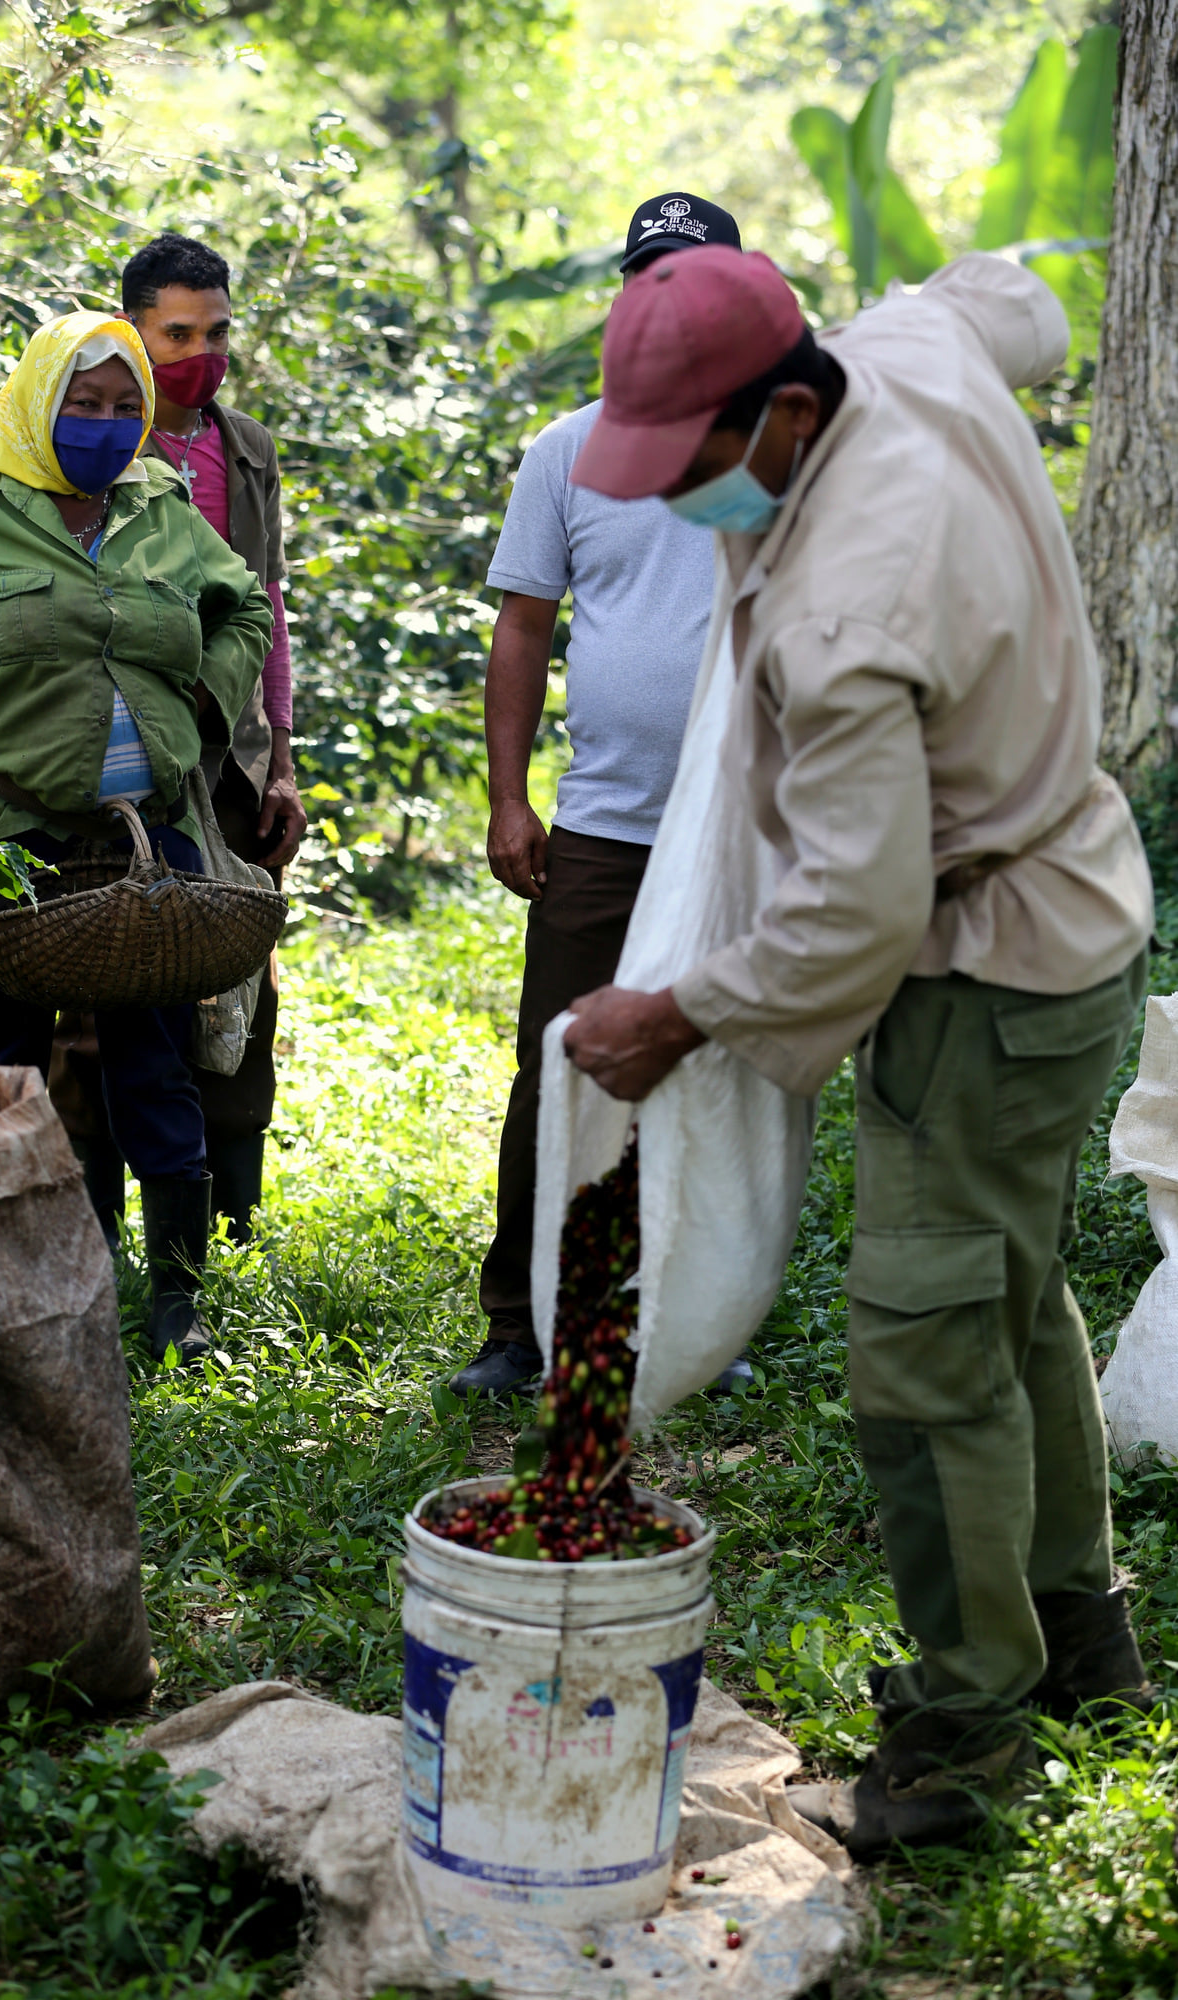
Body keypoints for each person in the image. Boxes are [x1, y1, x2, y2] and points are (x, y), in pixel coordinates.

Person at [561, 245, 1155, 1855]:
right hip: (1074, 919)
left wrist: (674, 1011)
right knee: (1009, 1296)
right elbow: (1014, 297)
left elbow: (855, 912)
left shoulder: (847, 606)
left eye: (689, 460)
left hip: (982, 974)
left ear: (786, 410)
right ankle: (1077, 1645)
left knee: (925, 1353)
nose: (671, 495)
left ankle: (964, 1744)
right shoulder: (910, 342)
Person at [0, 310, 273, 1365]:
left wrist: (200, 705)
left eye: (126, 405)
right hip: (4, 835)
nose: (105, 423)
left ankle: (177, 1306)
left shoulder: (159, 503)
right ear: (40, 399)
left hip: (149, 841)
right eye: (83, 402)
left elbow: (244, 611)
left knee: (155, 1063)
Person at [451, 191, 746, 1403]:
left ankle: (691, 1319)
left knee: (710, 1070)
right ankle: (521, 1324)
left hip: (733, 826)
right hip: (603, 824)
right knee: (560, 1063)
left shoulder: (780, 445)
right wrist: (507, 798)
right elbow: (523, 627)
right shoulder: (567, 448)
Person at [50, 231, 305, 1249]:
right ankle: (94, 1224)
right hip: (112, 751)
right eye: (179, 334)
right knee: (101, 984)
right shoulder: (88, 436)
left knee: (235, 967)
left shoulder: (245, 449)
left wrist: (281, 759)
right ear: (133, 331)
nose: (203, 354)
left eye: (219, 333)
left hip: (228, 753)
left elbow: (266, 606)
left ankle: (225, 1218)